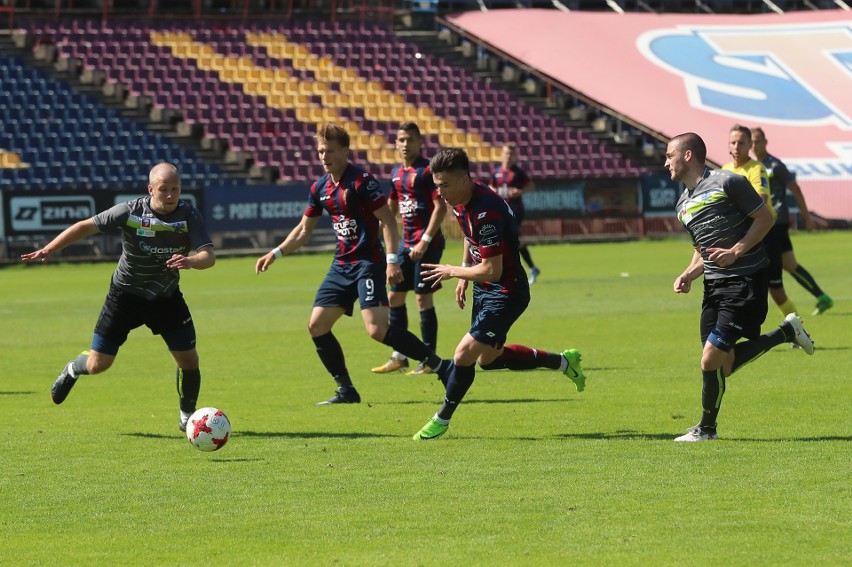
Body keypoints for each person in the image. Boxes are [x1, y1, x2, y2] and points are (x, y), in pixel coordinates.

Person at [255, 122, 447, 405]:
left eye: (330, 150)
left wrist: (391, 261)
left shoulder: (362, 181)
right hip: (341, 265)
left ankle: (441, 365)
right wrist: (277, 252)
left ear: (346, 151)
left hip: (368, 263)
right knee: (317, 326)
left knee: (376, 330)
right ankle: (346, 390)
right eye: (320, 150)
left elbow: (388, 221)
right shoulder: (320, 187)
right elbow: (303, 230)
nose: (324, 156)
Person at [21, 162, 216, 432]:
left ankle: (187, 416)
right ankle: (72, 369)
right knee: (98, 364)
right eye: (164, 189)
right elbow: (85, 226)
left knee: (189, 360)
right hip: (125, 296)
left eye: (175, 189)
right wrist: (50, 248)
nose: (171, 195)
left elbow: (209, 256)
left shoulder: (188, 214)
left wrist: (191, 261)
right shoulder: (131, 211)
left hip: (165, 297)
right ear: (151, 189)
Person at [412, 147, 585, 441]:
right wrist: (465, 273)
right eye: (437, 185)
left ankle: (441, 419)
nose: (439, 192)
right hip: (486, 288)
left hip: (507, 291)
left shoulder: (486, 211)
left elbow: (492, 269)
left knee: (462, 354)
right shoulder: (461, 199)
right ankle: (563, 362)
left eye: (444, 185)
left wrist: (454, 271)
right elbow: (470, 239)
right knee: (488, 359)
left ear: (465, 179)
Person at [666, 133, 815, 442]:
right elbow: (702, 249)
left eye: (670, 155)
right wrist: (689, 274)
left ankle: (706, 430)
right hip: (713, 287)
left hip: (746, 281)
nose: (666, 161)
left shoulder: (727, 182)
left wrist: (737, 250)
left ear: (689, 155)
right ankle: (786, 333)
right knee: (724, 365)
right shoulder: (682, 203)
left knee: (709, 360)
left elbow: (765, 217)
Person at [371, 122, 447, 376]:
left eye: (410, 140)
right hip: (405, 246)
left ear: (420, 142)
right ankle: (399, 356)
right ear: (396, 143)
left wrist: (425, 240)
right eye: (401, 139)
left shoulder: (427, 171)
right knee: (395, 297)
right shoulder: (395, 173)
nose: (405, 144)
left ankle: (428, 358)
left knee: (423, 297)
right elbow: (391, 210)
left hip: (429, 243)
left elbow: (441, 208)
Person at [751, 126, 833, 316]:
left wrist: (806, 217)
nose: (755, 145)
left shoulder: (775, 166)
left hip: (775, 223)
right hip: (770, 223)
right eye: (752, 142)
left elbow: (795, 189)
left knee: (771, 272)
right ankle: (822, 297)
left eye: (758, 141)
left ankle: (790, 314)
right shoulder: (754, 167)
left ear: (765, 142)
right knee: (790, 264)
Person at [722, 124, 801, 317]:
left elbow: (761, 201)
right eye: (733, 142)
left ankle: (799, 332)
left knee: (776, 291)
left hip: (764, 237)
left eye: (741, 142)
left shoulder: (756, 169)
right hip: (740, 238)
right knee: (740, 289)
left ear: (750, 144)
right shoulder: (724, 170)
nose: (736, 146)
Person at [490, 143, 540, 284]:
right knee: (515, 241)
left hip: (515, 211)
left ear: (515, 156)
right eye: (506, 153)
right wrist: (492, 191)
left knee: (510, 240)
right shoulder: (496, 172)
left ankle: (511, 272)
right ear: (501, 154)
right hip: (500, 210)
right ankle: (531, 268)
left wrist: (521, 191)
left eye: (511, 154)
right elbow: (491, 186)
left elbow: (531, 186)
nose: (508, 156)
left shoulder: (518, 173)